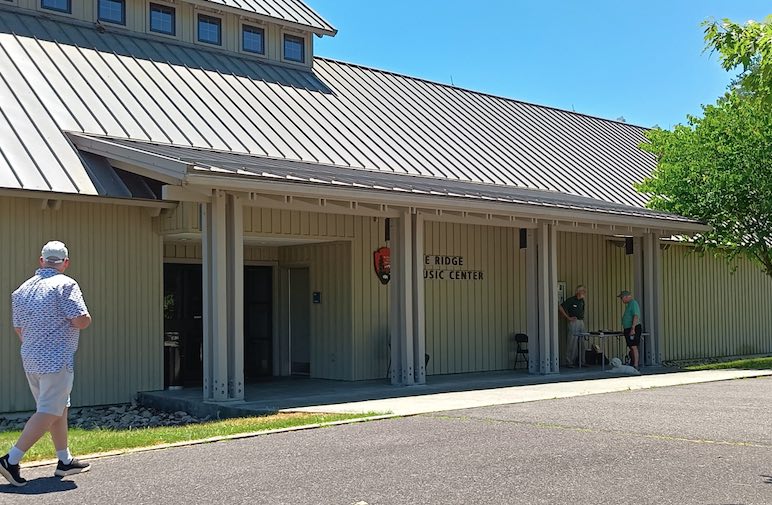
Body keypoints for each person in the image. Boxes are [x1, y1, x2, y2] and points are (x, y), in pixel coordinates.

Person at [0, 241, 92, 487]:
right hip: (57, 358)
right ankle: (11, 459)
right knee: (49, 411)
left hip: (30, 357)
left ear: (41, 260)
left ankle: (65, 460)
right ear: (65, 263)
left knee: (58, 408)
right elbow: (81, 320)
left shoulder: (22, 290)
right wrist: (85, 319)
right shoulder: (65, 284)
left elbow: (18, 328)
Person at [559, 285, 587, 367]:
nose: (584, 293)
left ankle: (582, 361)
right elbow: (560, 307)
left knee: (582, 342)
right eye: (583, 291)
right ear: (578, 292)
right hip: (574, 322)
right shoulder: (571, 300)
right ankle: (569, 361)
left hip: (581, 321)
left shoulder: (582, 301)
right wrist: (568, 317)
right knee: (572, 342)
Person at [618, 290, 642, 369]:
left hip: (633, 328)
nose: (621, 300)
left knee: (633, 346)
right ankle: (632, 362)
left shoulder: (633, 303)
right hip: (628, 328)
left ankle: (636, 365)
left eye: (622, 298)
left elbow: (636, 316)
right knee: (631, 346)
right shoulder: (629, 305)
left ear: (626, 297)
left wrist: (633, 328)